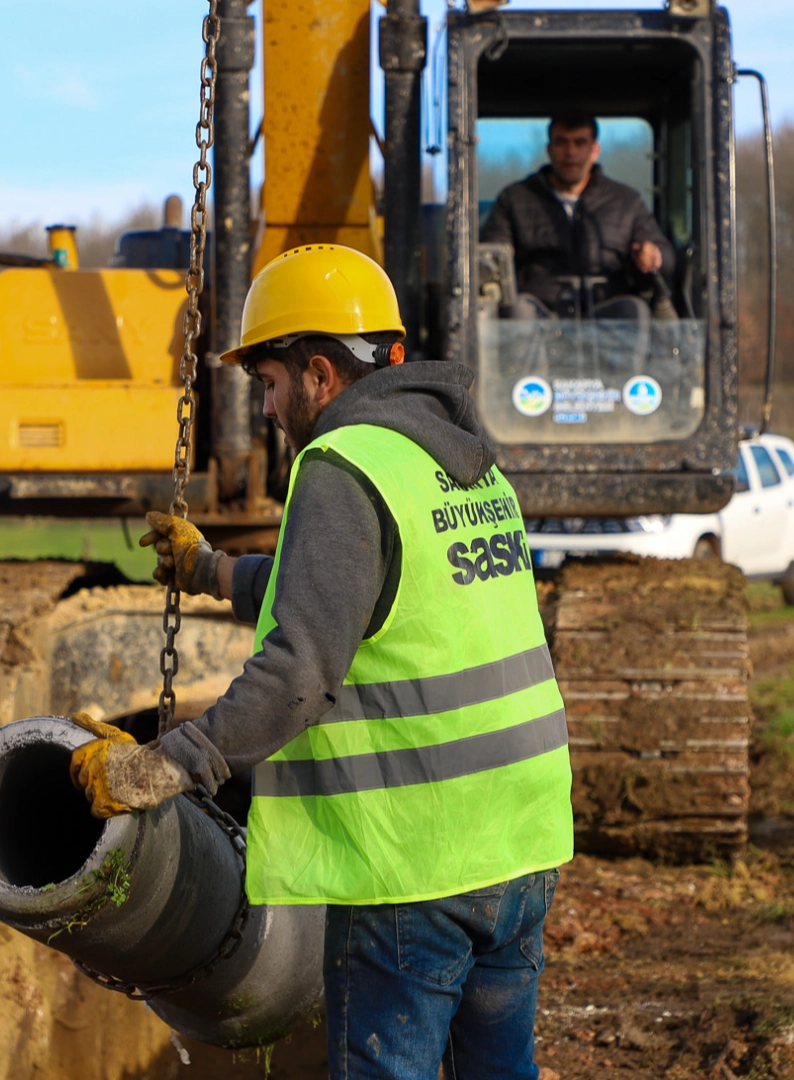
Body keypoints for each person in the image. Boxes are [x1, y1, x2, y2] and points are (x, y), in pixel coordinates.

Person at [69, 244, 574, 1080]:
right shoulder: (460, 462)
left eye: (267, 383)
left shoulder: (341, 465)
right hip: (519, 841)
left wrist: (162, 767)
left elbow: (298, 672)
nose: (265, 407)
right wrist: (210, 571)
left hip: (418, 863)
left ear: (319, 372)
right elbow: (369, 593)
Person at [480, 111, 674, 322]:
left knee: (633, 310)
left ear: (594, 150)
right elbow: (491, 254)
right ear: (549, 149)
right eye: (561, 143)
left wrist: (654, 255)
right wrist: (501, 256)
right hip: (540, 311)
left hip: (606, 312)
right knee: (518, 311)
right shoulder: (515, 199)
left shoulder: (626, 201)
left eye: (580, 143)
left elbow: (663, 255)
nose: (570, 152)